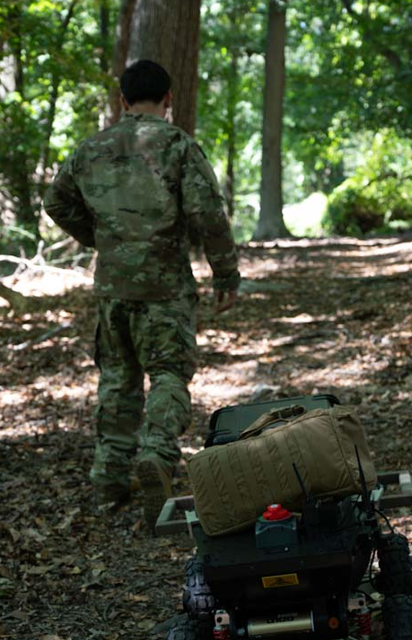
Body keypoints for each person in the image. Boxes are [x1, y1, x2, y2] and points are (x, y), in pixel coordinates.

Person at [44, 59, 240, 530]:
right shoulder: (177, 144)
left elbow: (55, 201)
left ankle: (109, 473)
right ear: (168, 100)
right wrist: (225, 274)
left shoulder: (91, 148)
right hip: (165, 287)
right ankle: (155, 454)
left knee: (118, 375)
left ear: (123, 100)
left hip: (113, 286)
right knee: (169, 372)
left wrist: (102, 239)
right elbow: (207, 212)